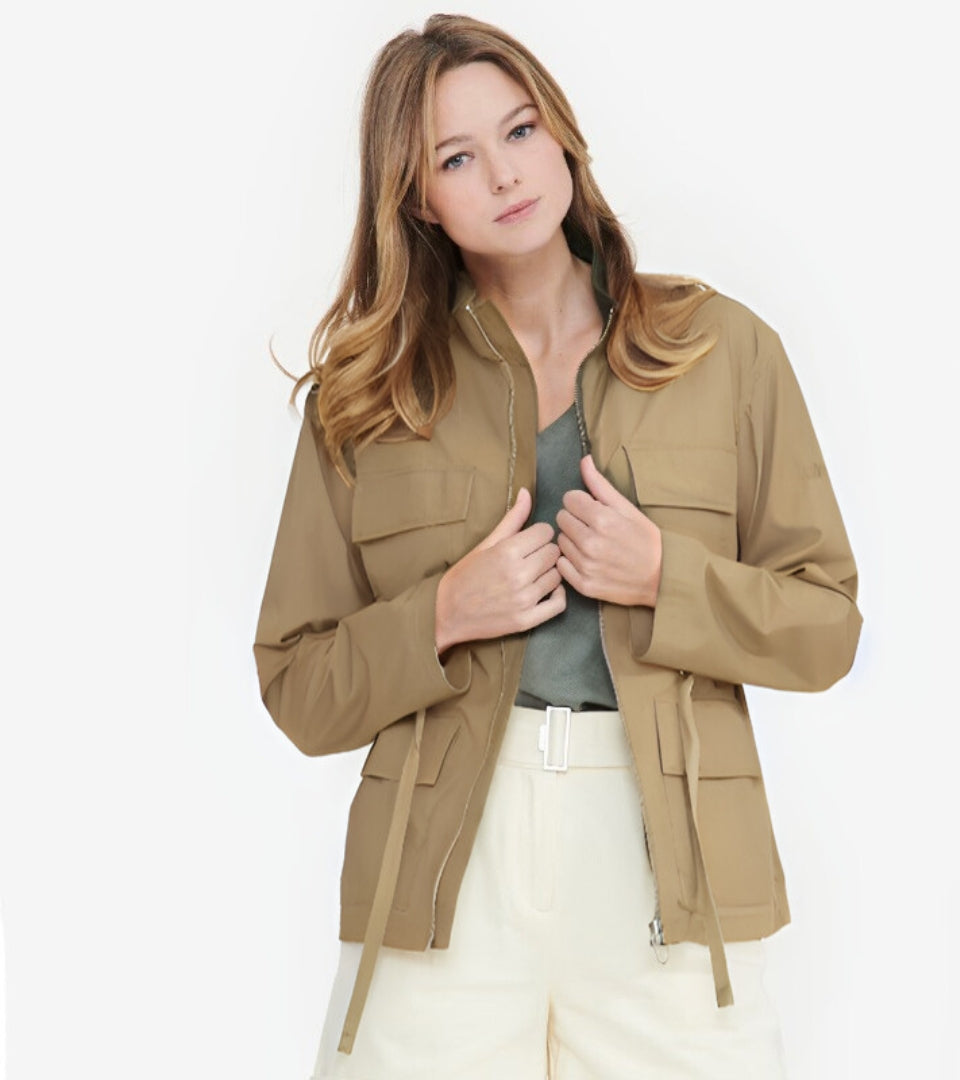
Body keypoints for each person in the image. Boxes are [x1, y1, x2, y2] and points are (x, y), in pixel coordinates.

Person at [254, 13, 862, 1079]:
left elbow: (827, 628)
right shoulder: (370, 397)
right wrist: (442, 614)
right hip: (444, 872)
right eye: (456, 157)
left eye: (520, 130)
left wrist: (666, 578)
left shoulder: (721, 350)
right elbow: (298, 686)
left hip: (667, 862)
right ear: (417, 198)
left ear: (563, 135)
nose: (504, 174)